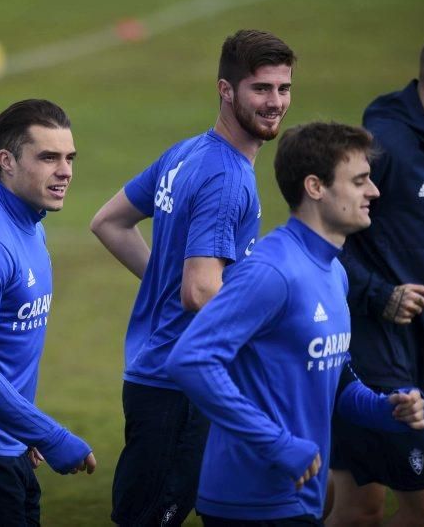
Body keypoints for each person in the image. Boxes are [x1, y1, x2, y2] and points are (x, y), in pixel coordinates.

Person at [166, 121, 424, 525]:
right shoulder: (272, 272)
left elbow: (335, 378)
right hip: (249, 501)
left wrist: (383, 409)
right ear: (315, 187)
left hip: (297, 495)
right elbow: (190, 360)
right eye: (359, 181)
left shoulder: (334, 272)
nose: (374, 191)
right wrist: (278, 444)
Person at [89, 29, 295, 526]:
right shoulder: (228, 177)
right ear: (226, 90)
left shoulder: (185, 153)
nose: (275, 103)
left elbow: (108, 222)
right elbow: (201, 290)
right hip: (179, 387)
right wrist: (266, 333)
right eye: (260, 89)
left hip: (153, 373)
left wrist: (162, 282)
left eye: (284, 89)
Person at [328, 25, 424, 527]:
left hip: (411, 348)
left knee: (357, 507)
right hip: (368, 354)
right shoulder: (383, 144)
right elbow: (320, 237)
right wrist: (380, 294)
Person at [0, 99, 96, 526]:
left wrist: (24, 428)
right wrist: (48, 433)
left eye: (69, 158)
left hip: (9, 440)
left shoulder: (30, 218)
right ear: (6, 161)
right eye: (48, 157)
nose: (64, 170)